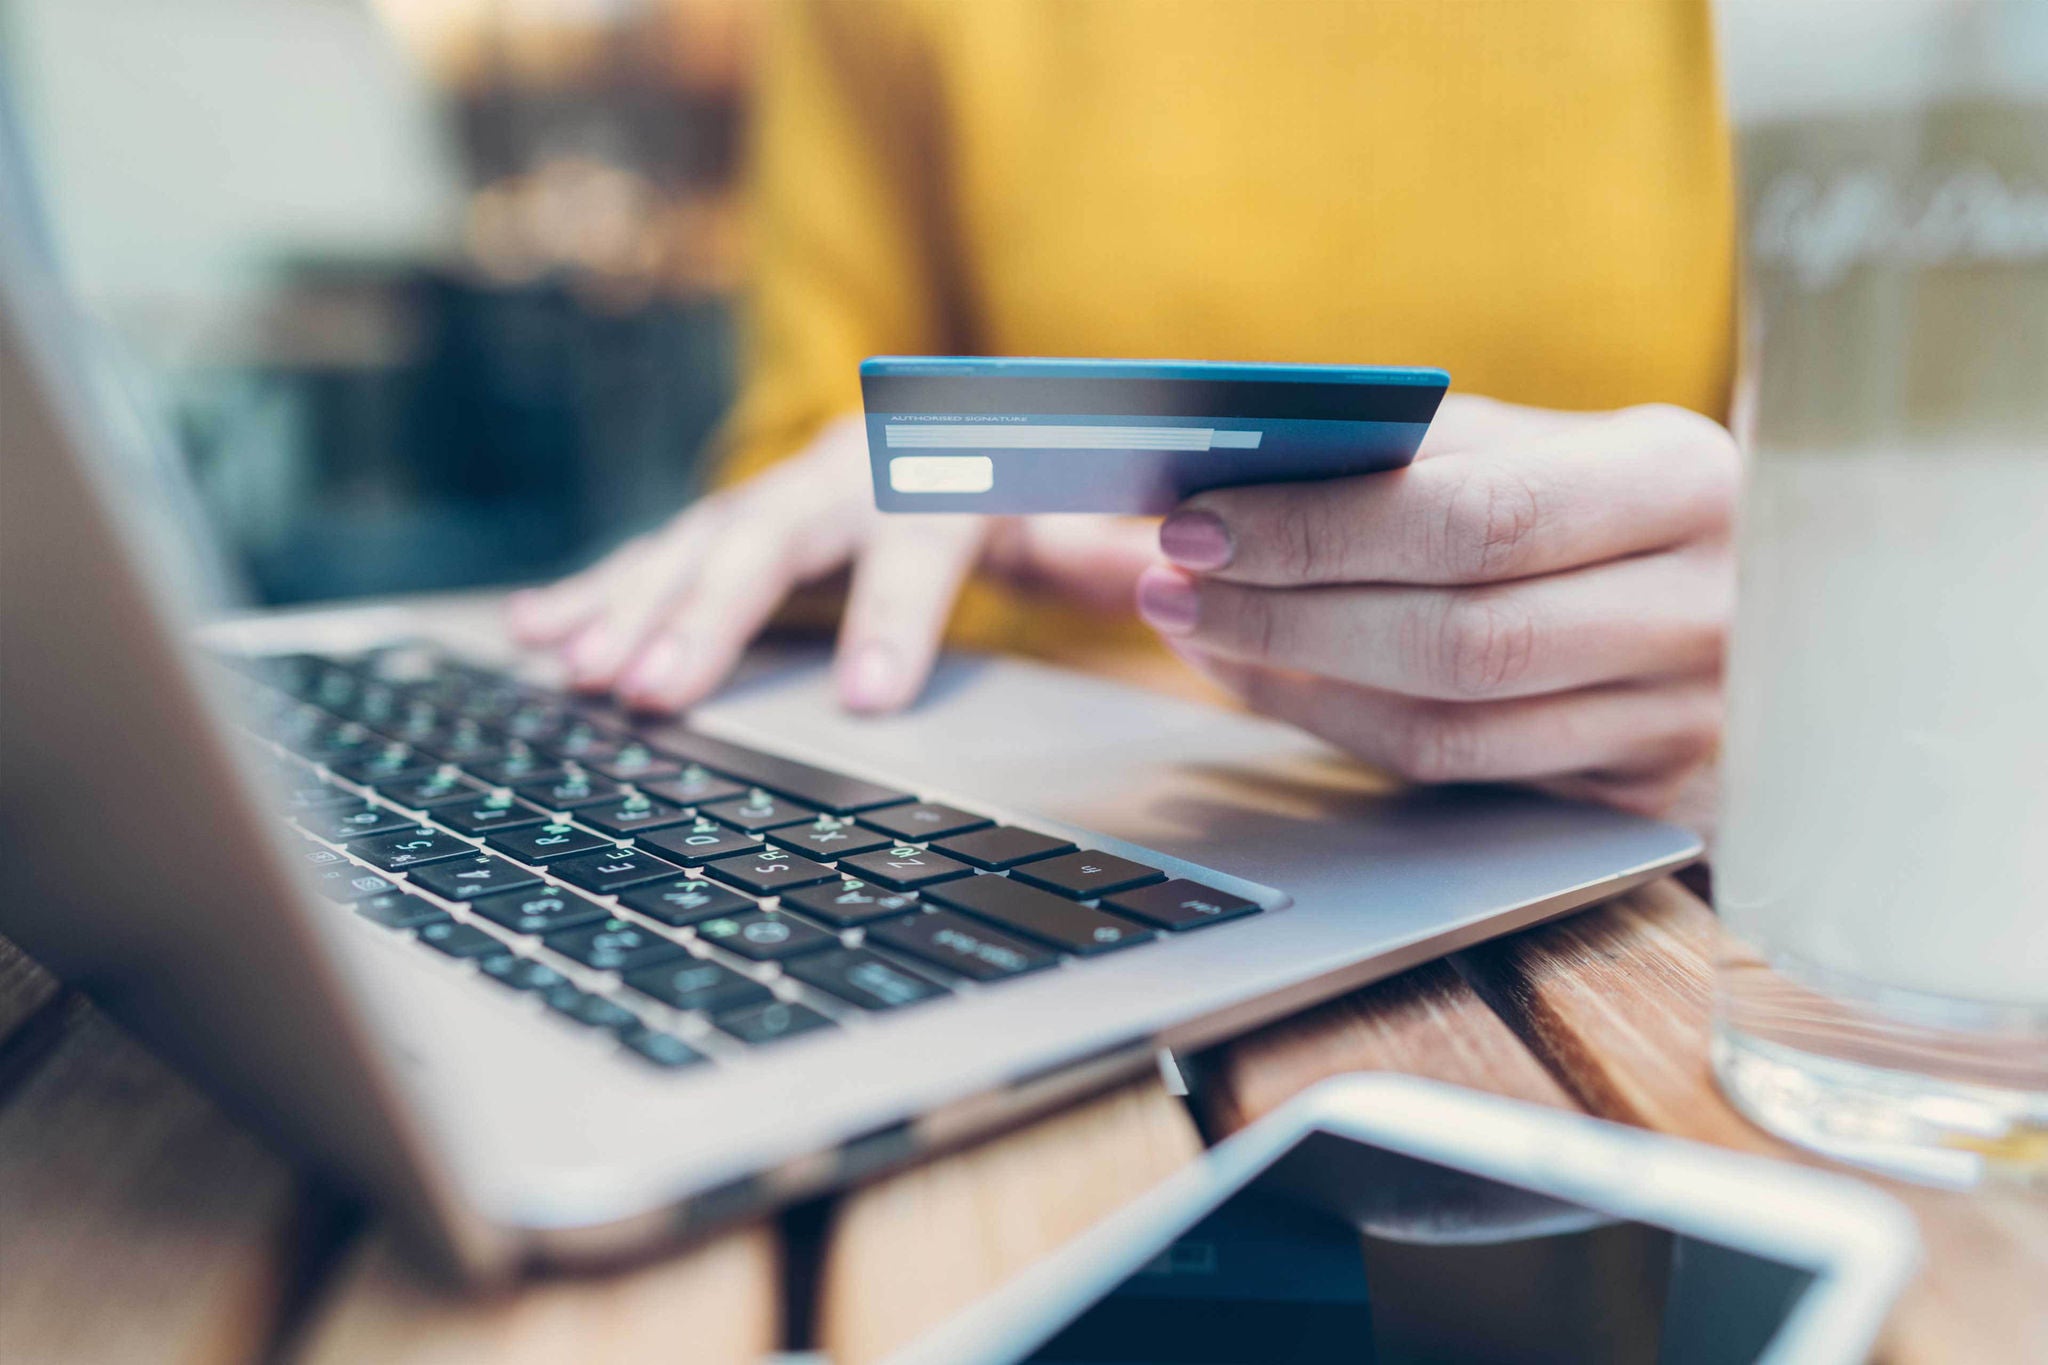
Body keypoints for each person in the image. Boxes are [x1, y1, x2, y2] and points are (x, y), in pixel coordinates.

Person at [509, 0, 1739, 821]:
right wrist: (879, 482)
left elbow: (1879, 498)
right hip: (1034, 804)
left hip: (1630, 837)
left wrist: (1774, 622)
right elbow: (800, 455)